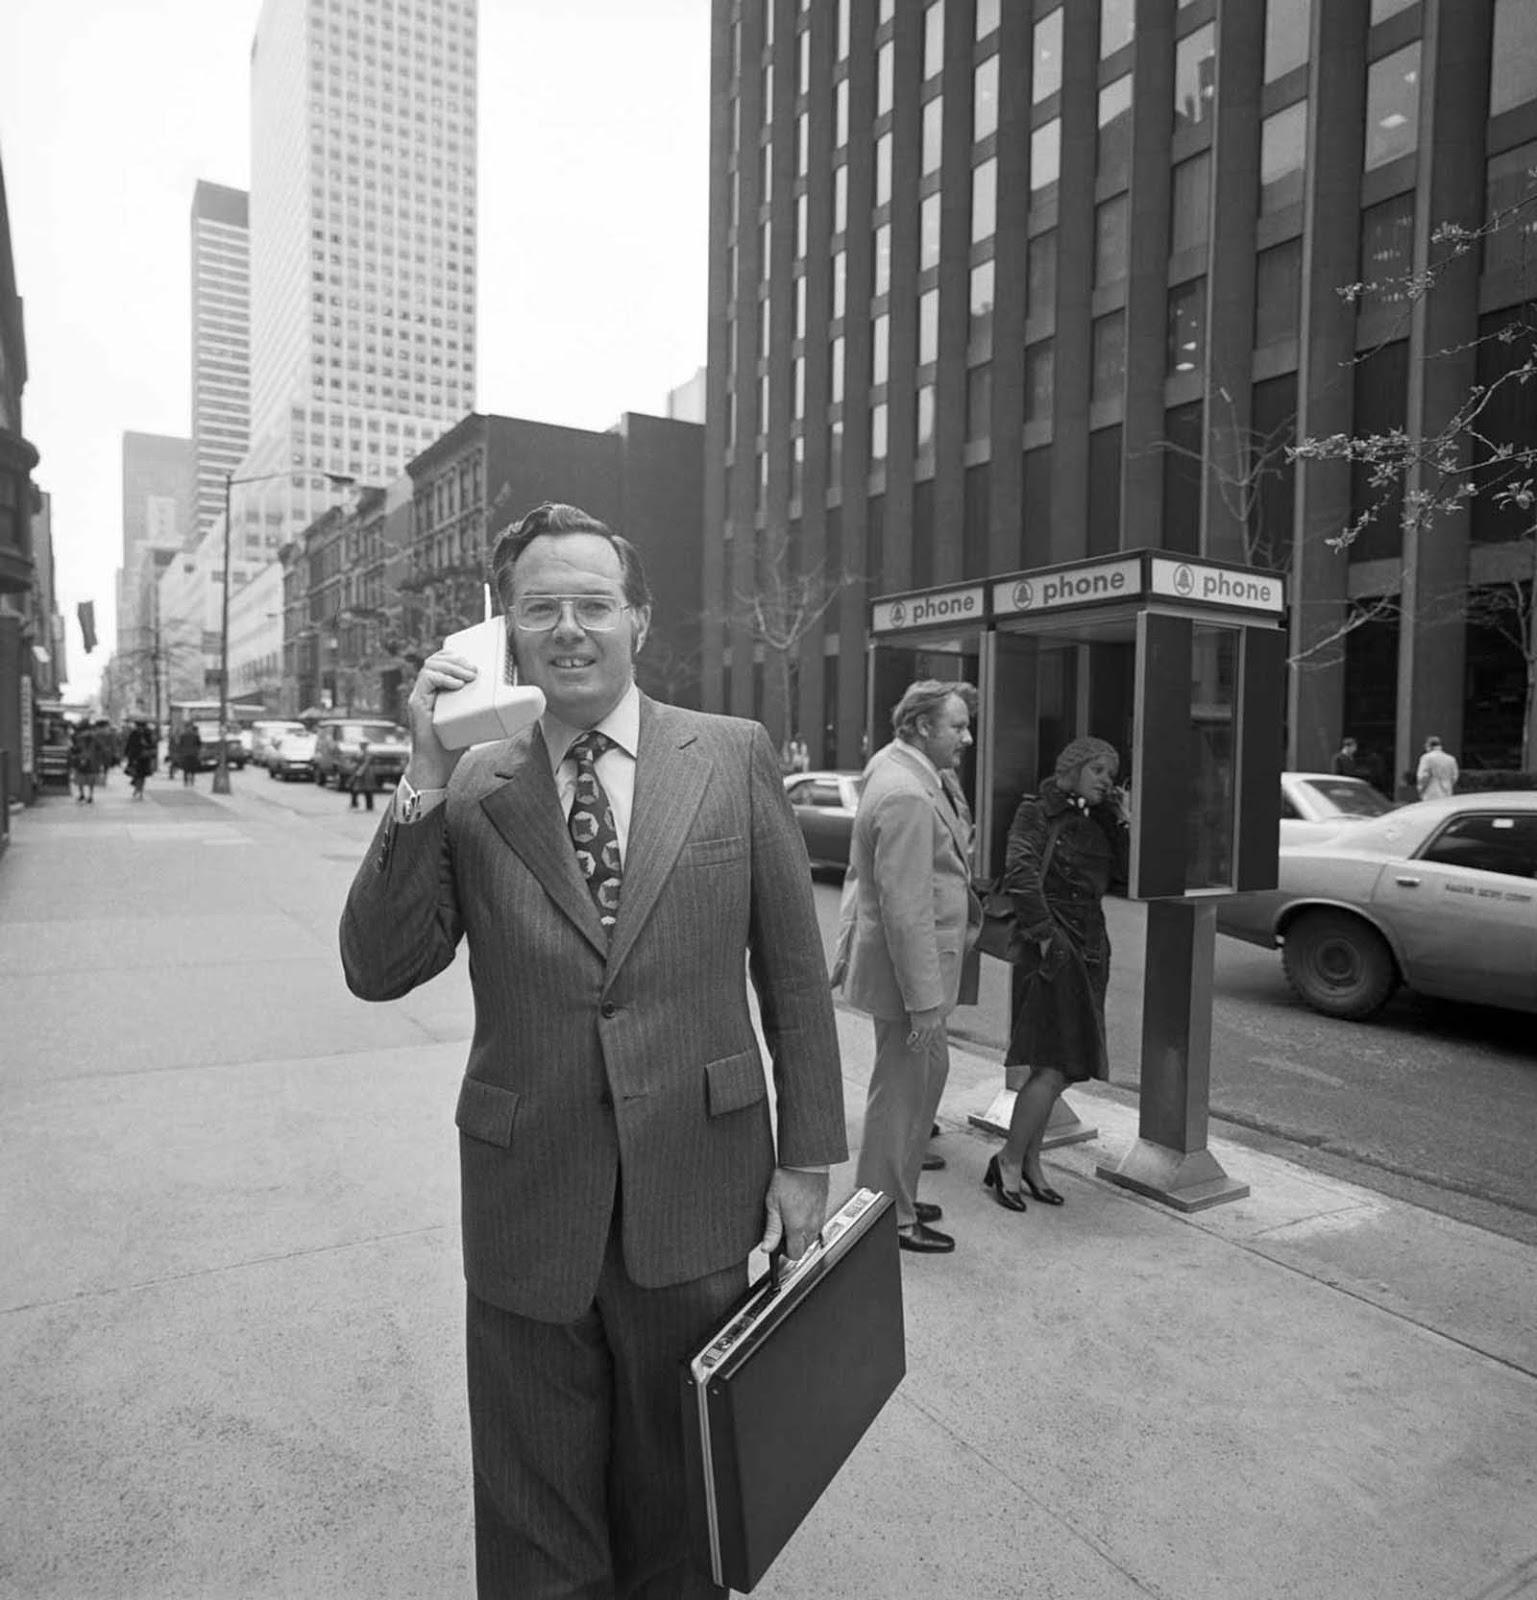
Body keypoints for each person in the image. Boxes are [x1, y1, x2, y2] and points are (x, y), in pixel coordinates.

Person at [339, 501, 846, 1597]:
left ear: (638, 620)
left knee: (684, 1509)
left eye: (592, 604)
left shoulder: (732, 755)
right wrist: (421, 777)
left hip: (700, 1190)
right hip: (530, 1198)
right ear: (505, 633)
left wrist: (807, 1159)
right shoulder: (470, 788)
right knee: (534, 1519)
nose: (569, 629)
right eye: (540, 608)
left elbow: (795, 977)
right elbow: (377, 966)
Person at [833, 680, 981, 1256]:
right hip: (911, 982)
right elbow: (905, 908)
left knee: (922, 1085)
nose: (967, 738)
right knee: (899, 1097)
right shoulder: (906, 793)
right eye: (958, 726)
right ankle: (885, 1216)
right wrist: (923, 1002)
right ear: (921, 726)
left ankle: (900, 1193)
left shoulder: (902, 770)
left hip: (918, 975)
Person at [987, 737, 1130, 1213]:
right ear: (1072, 769)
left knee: (1066, 1067)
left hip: (1090, 948)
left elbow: (1128, 878)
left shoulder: (1100, 819)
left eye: (1111, 773)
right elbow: (1021, 871)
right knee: (1052, 1064)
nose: (1107, 780)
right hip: (1056, 949)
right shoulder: (1036, 812)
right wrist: (1047, 937)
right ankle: (1010, 1161)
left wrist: (1122, 817)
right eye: (1099, 771)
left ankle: (1026, 1162)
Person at [1417, 735, 1459, 800]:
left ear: (1429, 746)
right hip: (1447, 792)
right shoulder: (1451, 759)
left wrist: (1420, 788)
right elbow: (1454, 777)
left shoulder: (1426, 758)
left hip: (1430, 793)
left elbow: (1423, 777)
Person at [123, 718, 155, 800]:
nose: (139, 728)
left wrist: (145, 744)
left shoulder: (147, 733)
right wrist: (126, 753)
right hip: (136, 757)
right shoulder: (134, 733)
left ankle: (139, 790)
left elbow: (152, 744)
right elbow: (129, 744)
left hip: (143, 757)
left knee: (142, 775)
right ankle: (138, 789)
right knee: (138, 774)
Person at [68, 722, 100, 804]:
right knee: (81, 779)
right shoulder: (78, 738)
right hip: (81, 761)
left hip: (92, 762)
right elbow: (75, 750)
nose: (87, 732)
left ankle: (90, 795)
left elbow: (99, 750)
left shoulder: (95, 739)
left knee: (90, 779)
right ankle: (82, 794)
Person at [348, 739, 377, 811]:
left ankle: (369, 805)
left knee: (368, 789)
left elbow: (366, 763)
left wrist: (361, 770)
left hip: (366, 773)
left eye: (364, 744)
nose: (362, 746)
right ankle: (354, 803)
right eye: (361, 744)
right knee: (354, 788)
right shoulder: (358, 753)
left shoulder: (368, 754)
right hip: (358, 772)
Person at [174, 719, 201, 787]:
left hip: (190, 754)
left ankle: (190, 781)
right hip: (188, 755)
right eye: (188, 727)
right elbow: (199, 744)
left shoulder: (194, 735)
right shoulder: (187, 735)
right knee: (188, 769)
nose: (189, 728)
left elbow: (199, 744)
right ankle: (187, 782)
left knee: (190, 769)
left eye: (189, 727)